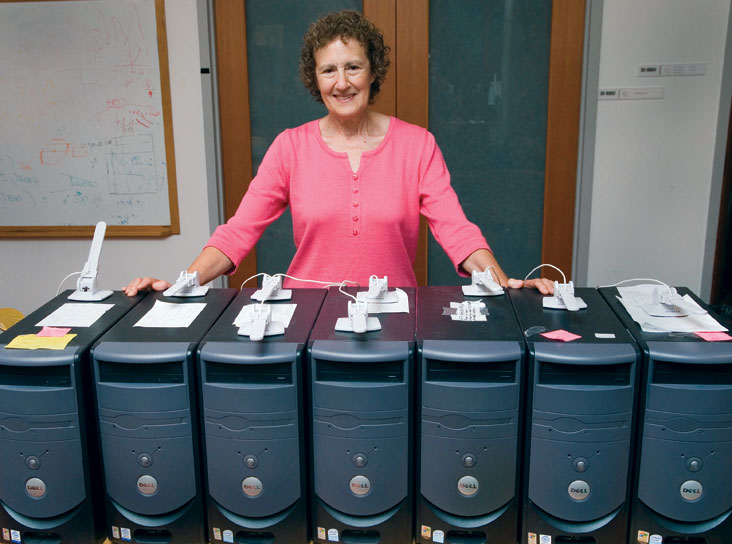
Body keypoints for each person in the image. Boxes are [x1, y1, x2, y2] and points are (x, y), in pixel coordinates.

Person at [125, 10, 553, 296]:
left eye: (353, 66)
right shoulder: (289, 147)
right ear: (316, 80)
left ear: (373, 71)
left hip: (395, 318)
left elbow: (456, 229)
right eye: (329, 70)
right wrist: (182, 285)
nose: (342, 82)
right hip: (307, 322)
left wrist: (501, 283)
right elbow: (238, 231)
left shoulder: (417, 144)